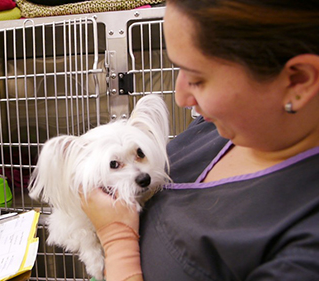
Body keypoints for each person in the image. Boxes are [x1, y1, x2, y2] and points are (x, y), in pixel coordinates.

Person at [81, 1, 319, 280]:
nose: (181, 98)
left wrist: (116, 239)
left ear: (298, 80)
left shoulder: (305, 250)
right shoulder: (222, 127)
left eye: (197, 79)